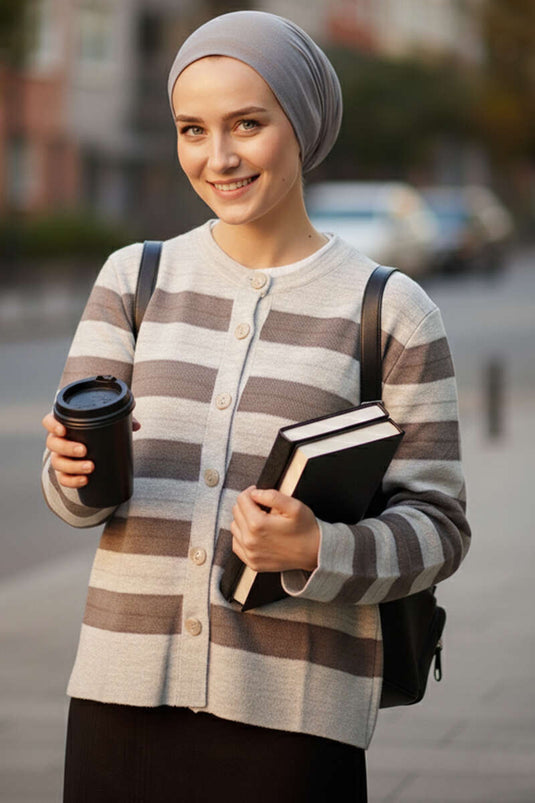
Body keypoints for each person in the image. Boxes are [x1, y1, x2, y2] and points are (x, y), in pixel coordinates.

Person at [41, 10, 470, 802]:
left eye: (247, 124)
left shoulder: (392, 310)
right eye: (191, 129)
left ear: (300, 127)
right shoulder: (133, 280)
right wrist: (71, 470)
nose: (218, 156)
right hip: (119, 701)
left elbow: (440, 528)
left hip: (294, 718)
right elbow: (77, 499)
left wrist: (316, 547)